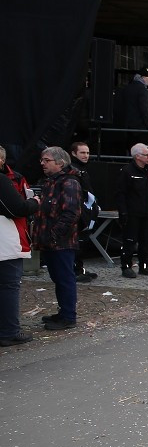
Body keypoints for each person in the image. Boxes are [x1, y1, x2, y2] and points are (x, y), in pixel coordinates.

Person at [34, 147, 82, 331]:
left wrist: (54, 234)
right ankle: (64, 312)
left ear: (60, 163)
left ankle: (68, 315)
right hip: (50, 240)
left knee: (64, 278)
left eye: (47, 160)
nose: (43, 163)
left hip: (61, 242)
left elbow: (71, 213)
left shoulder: (69, 183)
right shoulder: (51, 182)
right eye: (42, 160)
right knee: (58, 277)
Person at [0, 145, 40, 346]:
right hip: (4, 242)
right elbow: (17, 208)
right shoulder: (2, 180)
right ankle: (8, 331)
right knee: (8, 285)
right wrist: (35, 202)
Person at [116, 143, 148, 279]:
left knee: (146, 240)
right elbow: (121, 193)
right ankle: (126, 266)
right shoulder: (127, 172)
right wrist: (123, 212)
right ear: (137, 156)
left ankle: (144, 265)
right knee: (129, 241)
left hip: (147, 212)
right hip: (132, 213)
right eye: (146, 155)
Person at [68, 142, 98, 283]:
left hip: (86, 209)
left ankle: (79, 268)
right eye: (82, 153)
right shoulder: (73, 170)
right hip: (79, 210)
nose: (86, 155)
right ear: (74, 153)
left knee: (82, 241)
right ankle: (75, 270)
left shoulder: (83, 169)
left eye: (87, 152)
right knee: (76, 242)